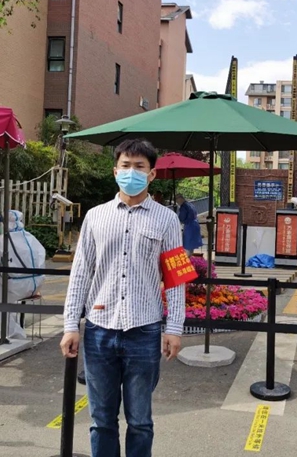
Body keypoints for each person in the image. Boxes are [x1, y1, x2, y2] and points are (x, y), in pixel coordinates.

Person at [60, 139, 185, 457]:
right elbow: (81, 274)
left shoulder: (167, 220)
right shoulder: (95, 217)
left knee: (140, 421)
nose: (132, 172)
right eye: (126, 166)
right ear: (115, 171)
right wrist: (70, 325)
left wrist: (174, 328)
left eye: (139, 166)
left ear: (152, 174)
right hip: (99, 331)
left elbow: (175, 278)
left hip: (144, 331)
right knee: (101, 420)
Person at [0, 210, 46, 340]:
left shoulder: (3, 240)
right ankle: (6, 331)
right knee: (4, 301)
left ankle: (14, 334)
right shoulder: (30, 237)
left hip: (16, 286)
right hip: (36, 284)